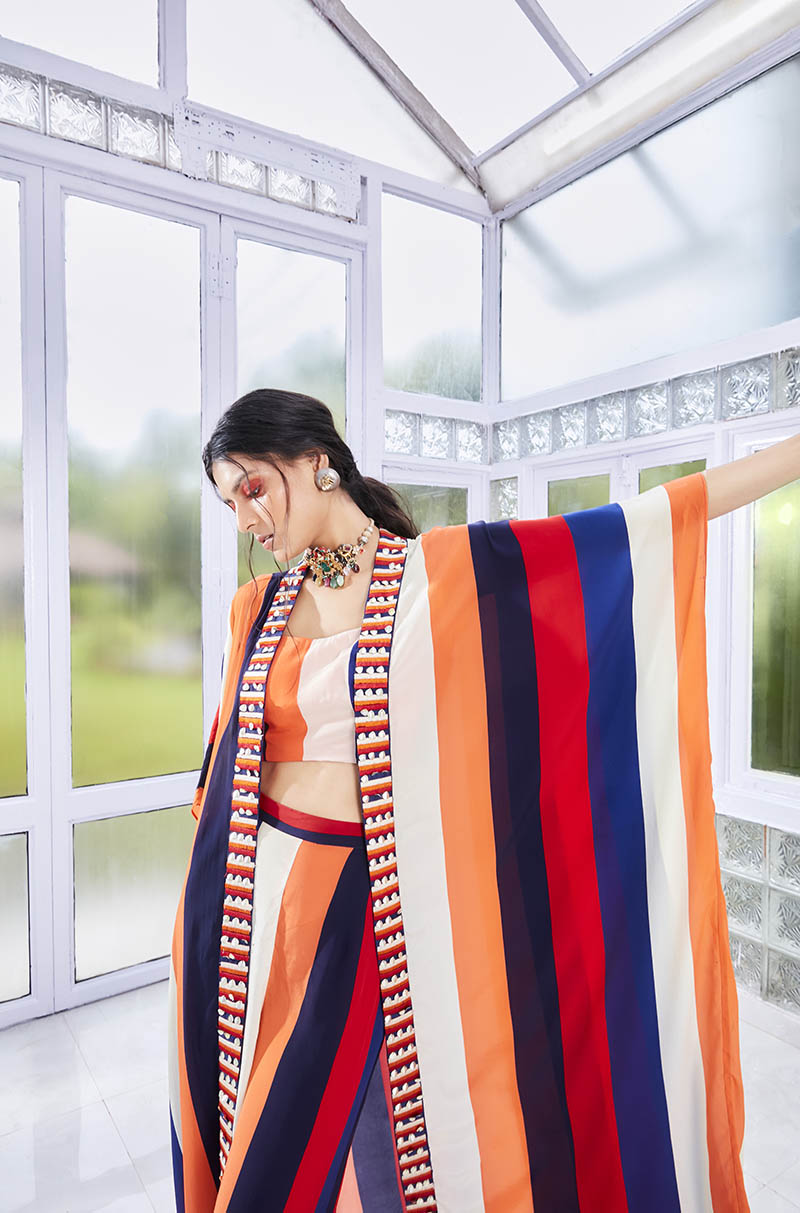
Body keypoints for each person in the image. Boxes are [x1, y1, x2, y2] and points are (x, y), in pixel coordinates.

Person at [169, 387, 800, 1213]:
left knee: (370, 1133)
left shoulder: (437, 580)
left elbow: (629, 531)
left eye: (251, 487)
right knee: (272, 1134)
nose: (246, 518)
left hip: (371, 902)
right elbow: (224, 772)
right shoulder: (255, 608)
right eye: (229, 503)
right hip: (254, 912)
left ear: (317, 460)